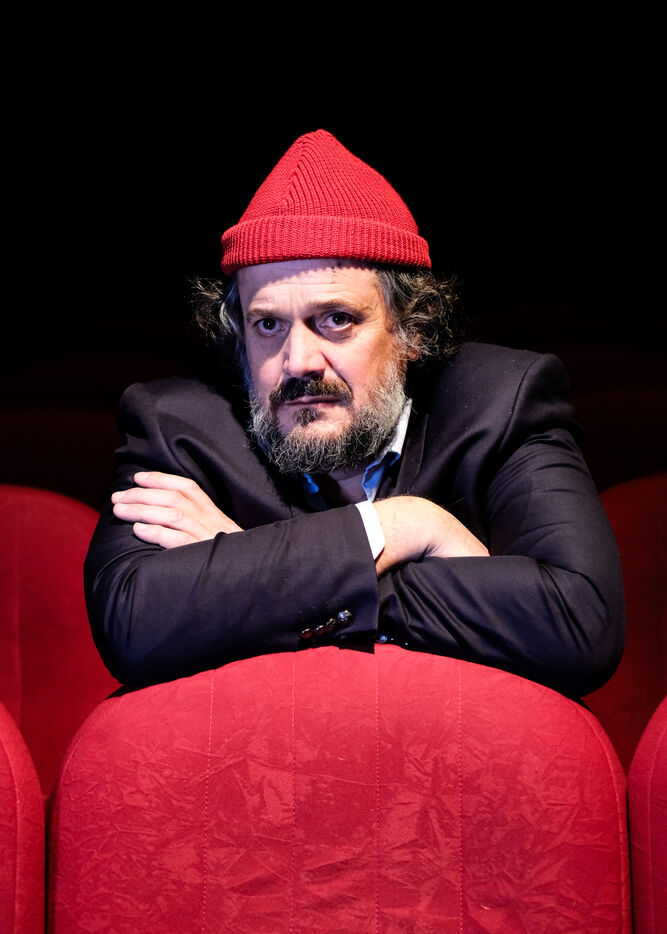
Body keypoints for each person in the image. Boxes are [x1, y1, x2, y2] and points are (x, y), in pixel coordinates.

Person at [84, 129, 624, 698]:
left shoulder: (501, 402)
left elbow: (580, 628)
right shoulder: (177, 426)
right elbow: (132, 628)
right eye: (267, 324)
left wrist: (253, 566)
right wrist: (403, 526)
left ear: (412, 328)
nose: (298, 361)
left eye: (336, 319)